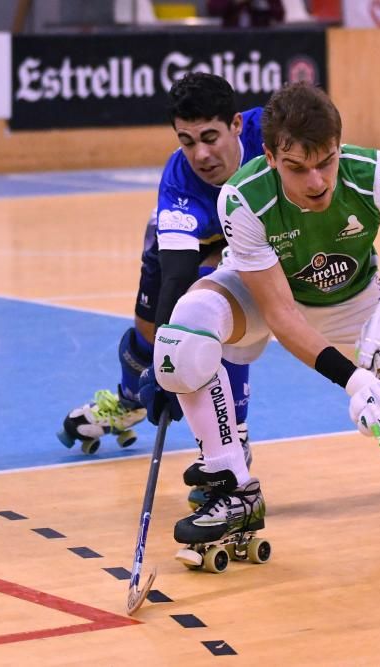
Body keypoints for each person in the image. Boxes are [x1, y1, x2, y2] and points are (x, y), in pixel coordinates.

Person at [140, 82, 380, 551]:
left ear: (339, 146)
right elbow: (282, 316)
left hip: (357, 302)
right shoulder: (244, 200)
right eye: (296, 168)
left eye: (325, 162)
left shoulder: (376, 175)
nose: (316, 181)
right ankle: (233, 488)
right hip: (269, 294)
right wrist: (355, 382)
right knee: (184, 335)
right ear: (267, 157)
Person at [60, 74, 264, 499]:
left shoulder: (271, 130)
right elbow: (175, 272)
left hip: (252, 233)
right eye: (187, 141)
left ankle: (233, 437)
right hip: (194, 235)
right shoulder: (177, 183)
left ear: (237, 125)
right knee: (150, 331)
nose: (201, 154)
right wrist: (164, 365)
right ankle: (132, 398)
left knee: (213, 308)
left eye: (210, 137)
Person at [207, 0, 285, 27]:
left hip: (260, 37)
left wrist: (265, 3)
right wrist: (234, 2)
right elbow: (213, 9)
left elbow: (280, 15)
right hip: (231, 37)